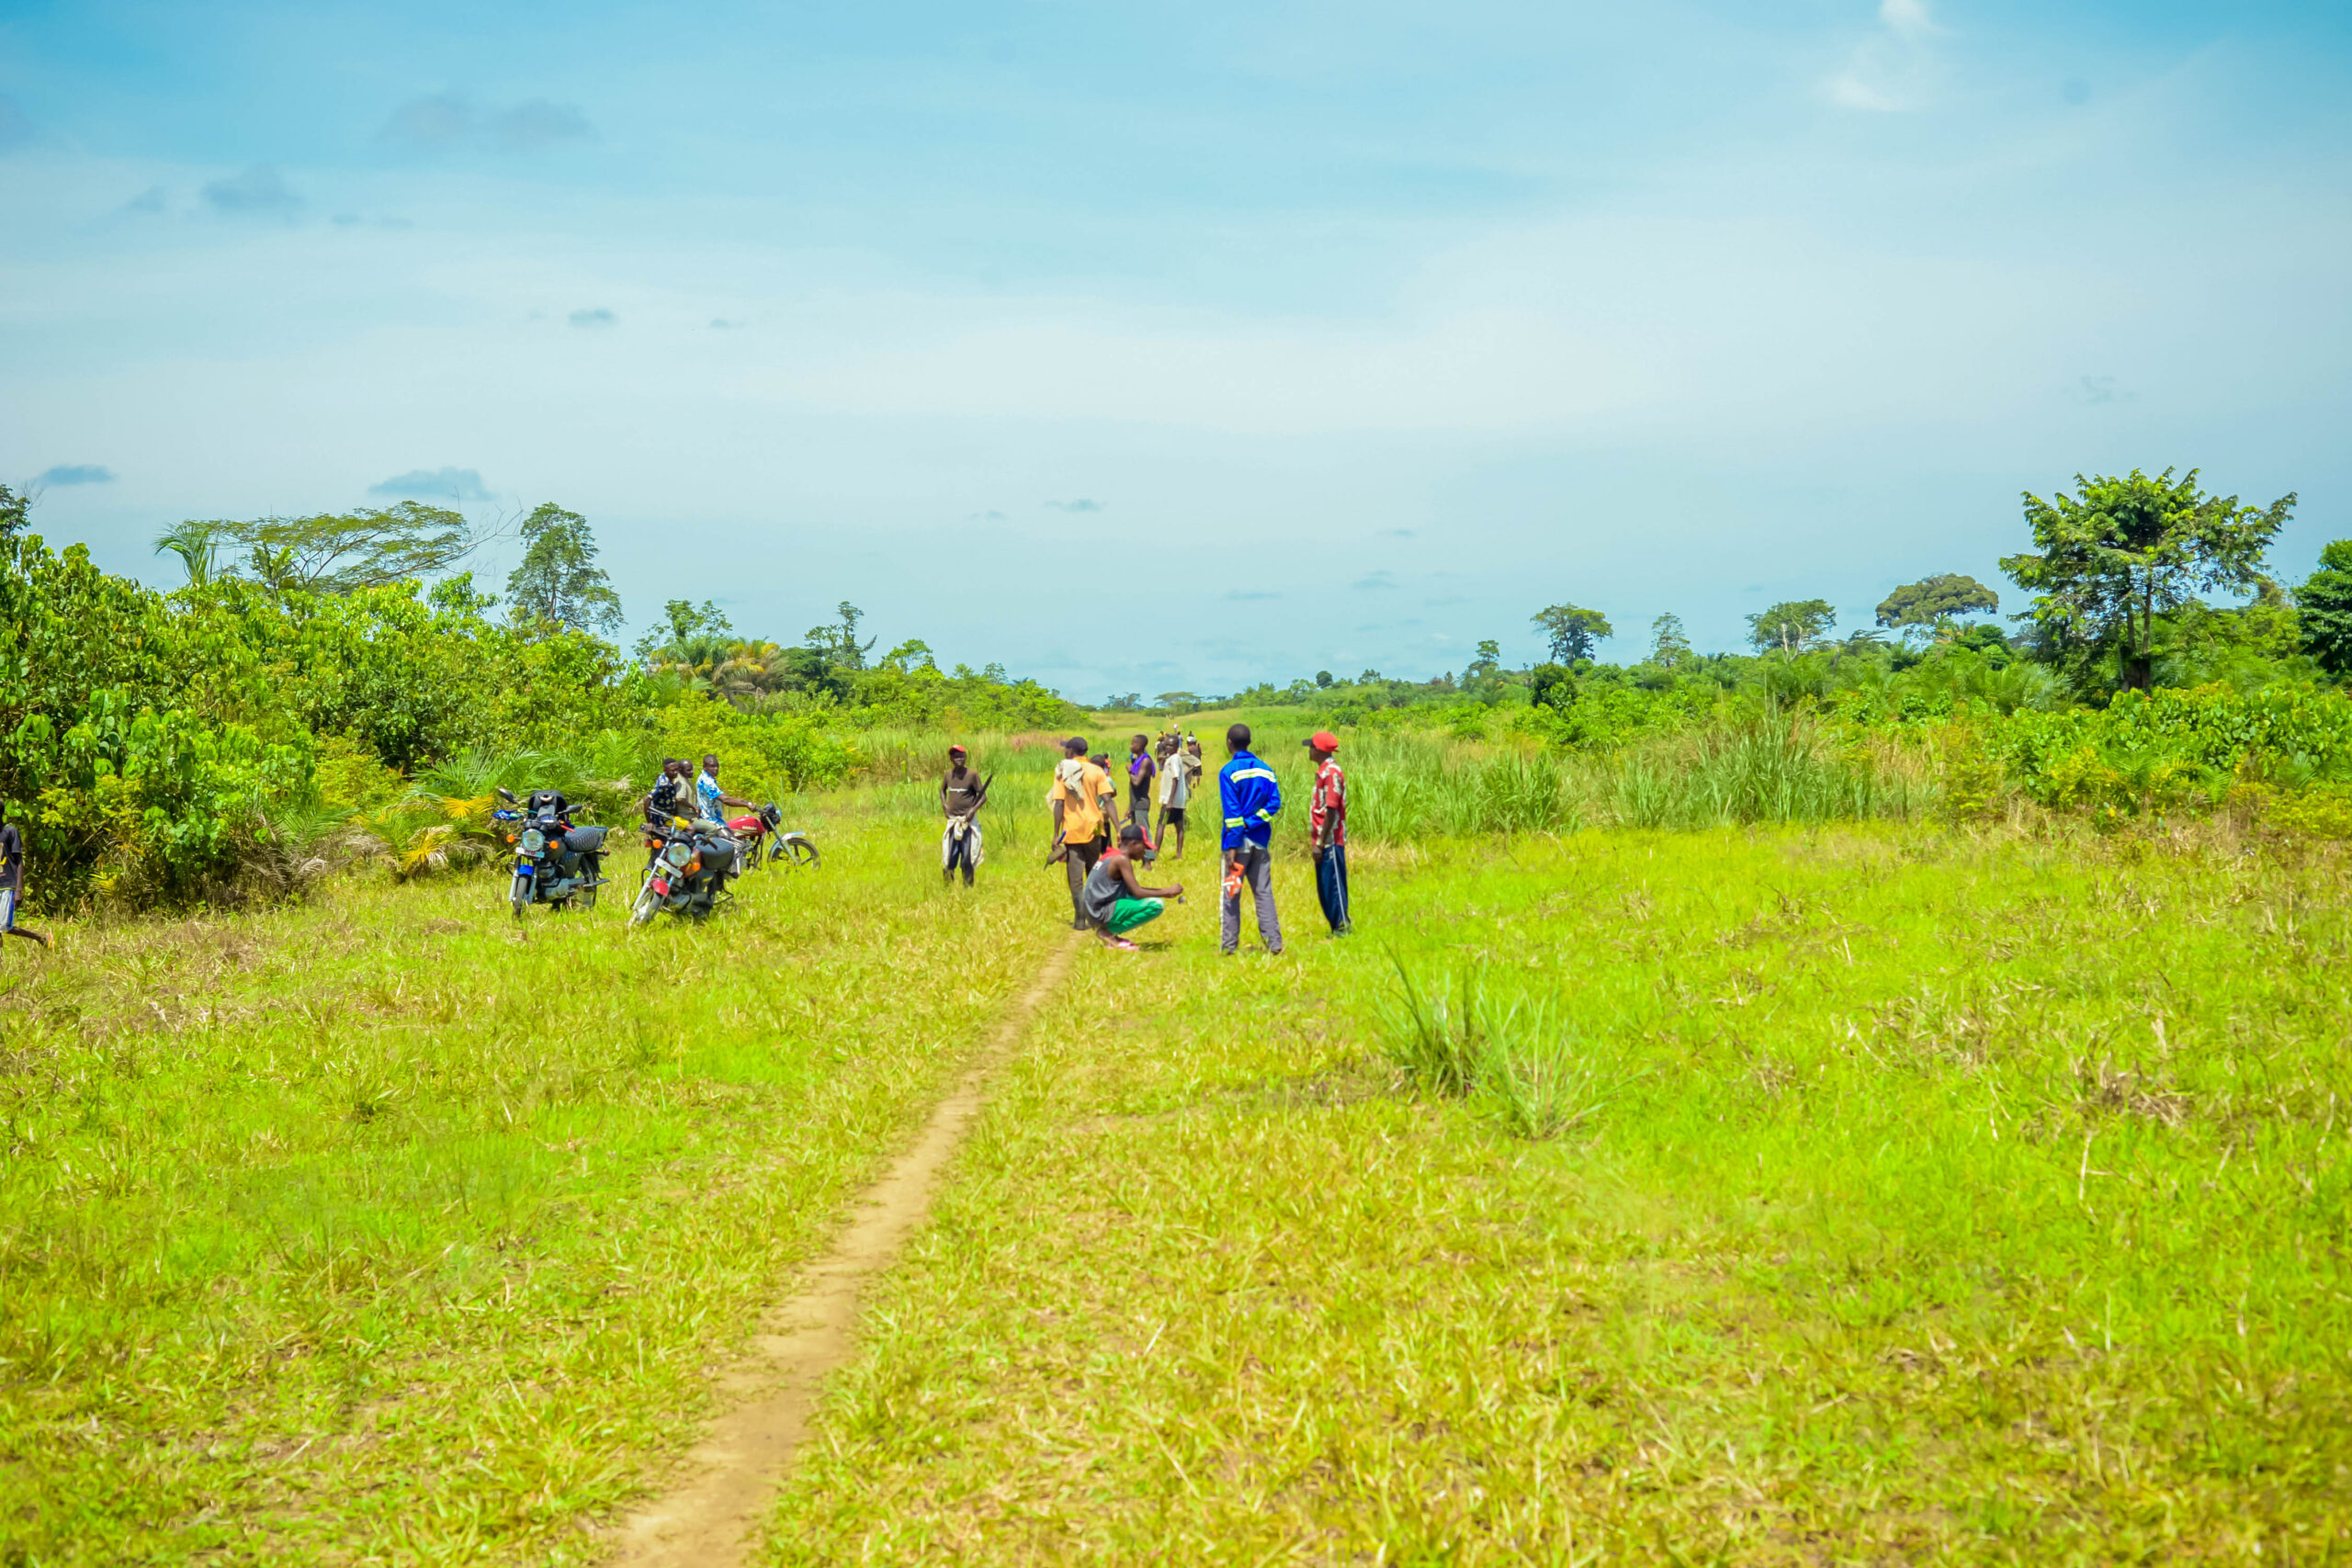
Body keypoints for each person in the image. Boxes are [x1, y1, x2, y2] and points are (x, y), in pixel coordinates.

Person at [1217, 722, 1283, 955]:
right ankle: (1275, 944)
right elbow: (1274, 804)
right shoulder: (1266, 770)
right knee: (1264, 893)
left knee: (1231, 894)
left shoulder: (1228, 771)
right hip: (1260, 842)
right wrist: (1254, 821)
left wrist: (1233, 844)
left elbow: (1232, 813)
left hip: (1238, 845)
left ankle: (1228, 946)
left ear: (1229, 742)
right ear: (1250, 742)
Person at [1080, 822, 1184, 951]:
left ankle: (1109, 932)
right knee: (1156, 905)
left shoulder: (1113, 855)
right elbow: (1138, 893)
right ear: (1134, 844)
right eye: (1144, 847)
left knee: (1138, 898)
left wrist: (1164, 890)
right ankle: (1107, 932)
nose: (1145, 852)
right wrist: (1167, 892)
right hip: (1100, 912)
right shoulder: (1122, 860)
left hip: (1093, 910)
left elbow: (1134, 891)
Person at [1046, 737, 1113, 929]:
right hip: (1096, 827)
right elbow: (1108, 800)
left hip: (1073, 828)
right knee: (1093, 871)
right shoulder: (1097, 770)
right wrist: (1117, 828)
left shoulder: (1063, 771)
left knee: (1075, 876)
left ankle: (1080, 919)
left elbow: (1059, 803)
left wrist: (1056, 833)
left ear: (1071, 751)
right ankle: (1096, 915)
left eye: (1066, 748)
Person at [1304, 729, 1351, 935]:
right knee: (1324, 886)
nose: (1309, 750)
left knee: (1333, 885)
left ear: (1319, 750)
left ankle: (1342, 927)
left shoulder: (1331, 773)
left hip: (1330, 840)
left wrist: (1321, 843)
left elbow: (1331, 810)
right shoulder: (1323, 772)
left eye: (1311, 747)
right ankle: (1335, 928)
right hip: (1323, 840)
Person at [0, 802, 51, 950]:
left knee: (4, 926)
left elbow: (19, 861)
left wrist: (18, 890)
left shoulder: (10, 832)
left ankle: (41, 937)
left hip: (8, 885)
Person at [940, 744, 987, 886]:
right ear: (951, 759)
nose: (958, 759)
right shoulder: (948, 775)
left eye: (961, 756)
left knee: (967, 858)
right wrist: (945, 806)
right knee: (949, 858)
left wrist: (973, 810)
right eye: (955, 756)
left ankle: (968, 889)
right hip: (953, 822)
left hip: (968, 823)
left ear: (965, 757)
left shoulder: (972, 775)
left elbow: (983, 797)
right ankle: (948, 889)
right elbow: (942, 791)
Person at [1154, 733, 1191, 861]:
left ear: (1177, 746)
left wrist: (1169, 801)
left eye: (1171, 745)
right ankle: (1179, 855)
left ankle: (1155, 854)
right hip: (1178, 800)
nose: (1168, 747)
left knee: (1161, 825)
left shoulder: (1174, 759)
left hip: (1170, 800)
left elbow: (1175, 779)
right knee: (1179, 826)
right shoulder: (1175, 758)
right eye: (1167, 745)